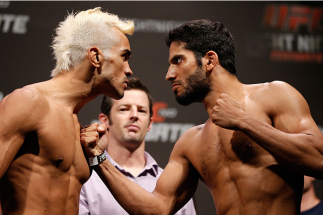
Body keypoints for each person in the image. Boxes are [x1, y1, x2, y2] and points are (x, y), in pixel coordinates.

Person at [80, 20, 323, 215]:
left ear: (209, 60)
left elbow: (319, 160)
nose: (169, 74)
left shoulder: (275, 95)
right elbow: (157, 208)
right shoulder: (191, 142)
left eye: (178, 60)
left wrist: (245, 122)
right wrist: (99, 159)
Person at [0, 7, 134, 214]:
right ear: (96, 57)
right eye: (124, 56)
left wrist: (96, 156)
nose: (129, 69)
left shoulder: (76, 125)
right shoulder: (28, 101)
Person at [79, 78, 196, 215]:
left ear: (150, 123)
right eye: (124, 109)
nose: (134, 115)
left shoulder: (174, 184)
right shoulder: (86, 180)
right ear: (105, 121)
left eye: (141, 111)